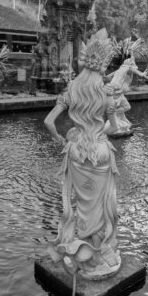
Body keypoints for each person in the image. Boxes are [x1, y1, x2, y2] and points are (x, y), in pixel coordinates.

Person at [44, 28, 121, 280]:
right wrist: (100, 134)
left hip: (76, 152)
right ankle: (95, 256)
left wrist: (61, 141)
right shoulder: (106, 93)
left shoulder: (71, 89)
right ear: (103, 65)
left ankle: (82, 251)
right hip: (99, 151)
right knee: (100, 207)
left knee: (82, 206)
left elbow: (49, 122)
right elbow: (115, 128)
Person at [104, 51, 148, 135]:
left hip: (115, 91)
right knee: (126, 107)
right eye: (133, 62)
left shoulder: (120, 69)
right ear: (131, 64)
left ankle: (117, 119)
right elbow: (138, 73)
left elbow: (108, 77)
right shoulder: (128, 68)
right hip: (117, 92)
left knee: (126, 106)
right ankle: (114, 117)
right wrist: (143, 74)